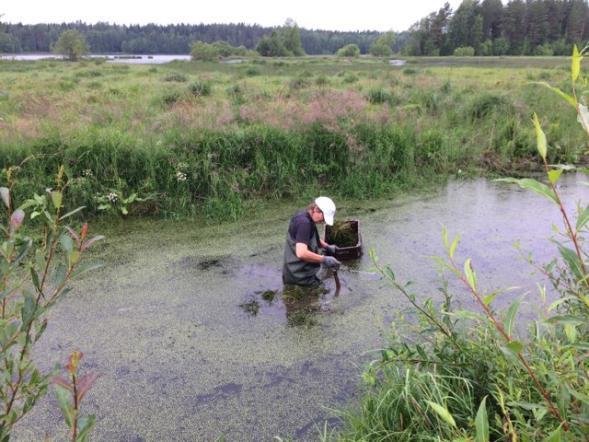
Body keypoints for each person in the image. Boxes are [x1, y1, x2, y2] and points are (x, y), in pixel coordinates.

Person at [282, 196, 341, 287]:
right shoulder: (304, 223)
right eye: (324, 217)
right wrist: (324, 259)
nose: (323, 221)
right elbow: (301, 253)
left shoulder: (305, 215)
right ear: (316, 209)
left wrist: (327, 246)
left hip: (298, 269)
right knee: (323, 292)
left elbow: (307, 237)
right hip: (298, 275)